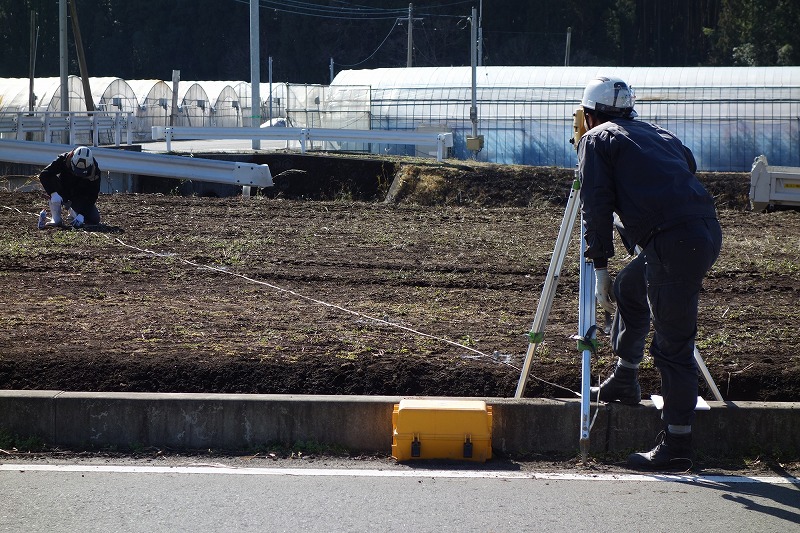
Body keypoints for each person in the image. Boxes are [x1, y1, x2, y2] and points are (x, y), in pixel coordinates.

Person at [576, 76, 722, 468]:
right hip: (702, 232)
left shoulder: (596, 139)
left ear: (588, 115)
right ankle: (625, 378)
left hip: (674, 243)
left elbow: (597, 205)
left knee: (673, 345)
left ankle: (676, 447)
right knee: (630, 288)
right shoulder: (659, 133)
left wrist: (599, 268)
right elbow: (686, 165)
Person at [38, 146, 102, 228]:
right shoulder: (63, 159)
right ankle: (56, 218)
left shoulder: (95, 172)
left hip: (80, 196)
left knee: (93, 219)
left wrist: (82, 214)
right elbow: (44, 174)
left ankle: (74, 212)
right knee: (51, 178)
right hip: (63, 190)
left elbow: (92, 196)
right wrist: (53, 193)